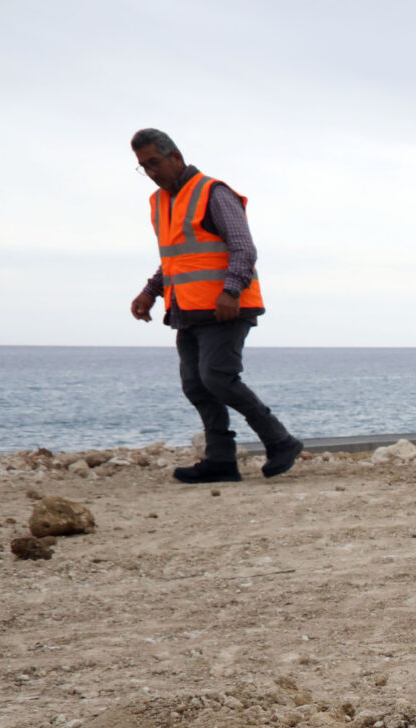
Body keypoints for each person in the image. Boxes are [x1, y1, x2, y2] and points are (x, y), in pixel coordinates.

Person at [128, 129, 303, 484]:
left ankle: (281, 441)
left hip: (226, 307)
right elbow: (178, 260)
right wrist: (150, 291)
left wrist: (232, 291)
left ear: (176, 157)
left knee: (218, 378)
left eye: (155, 163)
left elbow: (243, 248)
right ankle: (221, 460)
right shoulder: (160, 202)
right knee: (196, 385)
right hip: (187, 310)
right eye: (143, 166)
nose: (150, 171)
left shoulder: (213, 193)